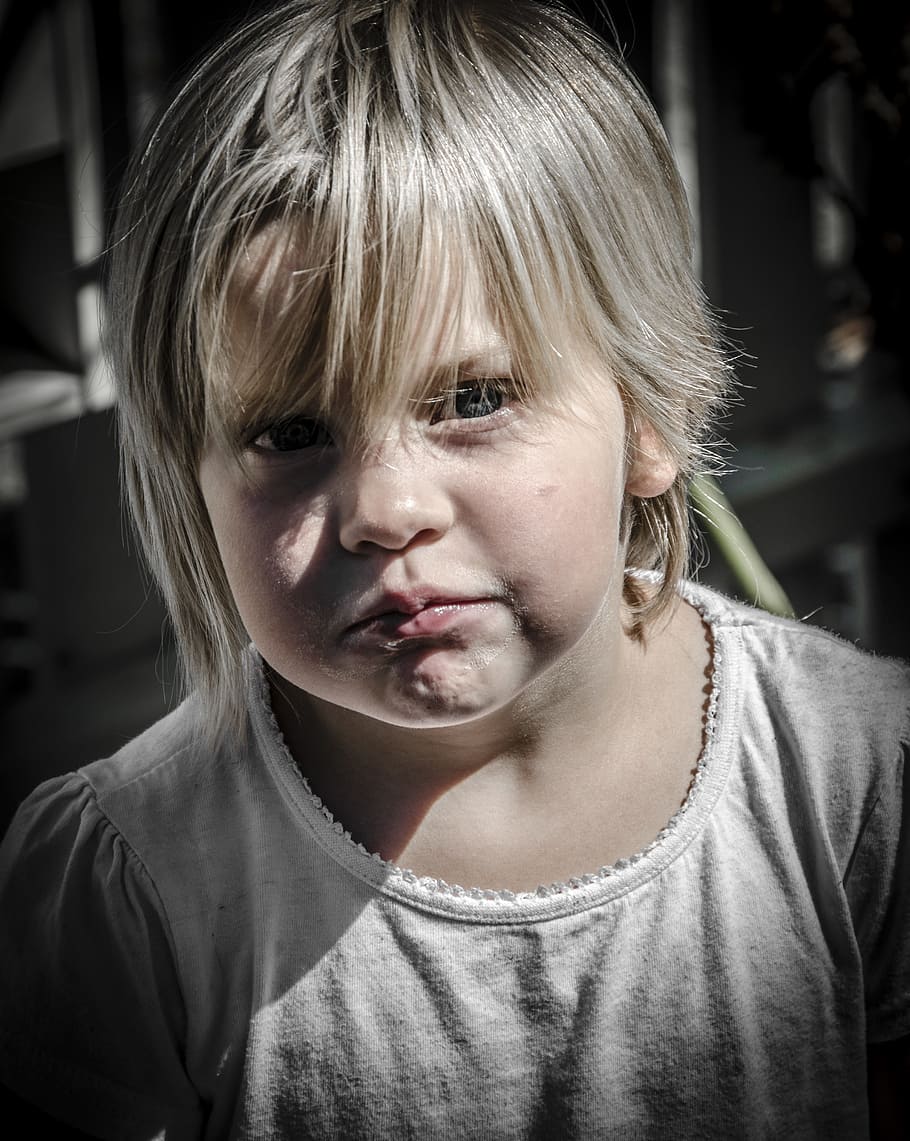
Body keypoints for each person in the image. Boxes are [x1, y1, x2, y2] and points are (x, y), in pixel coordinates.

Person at [1, 1, 908, 1137]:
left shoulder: (852, 776)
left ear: (648, 413)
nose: (383, 510)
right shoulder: (128, 884)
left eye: (473, 400)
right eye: (289, 433)